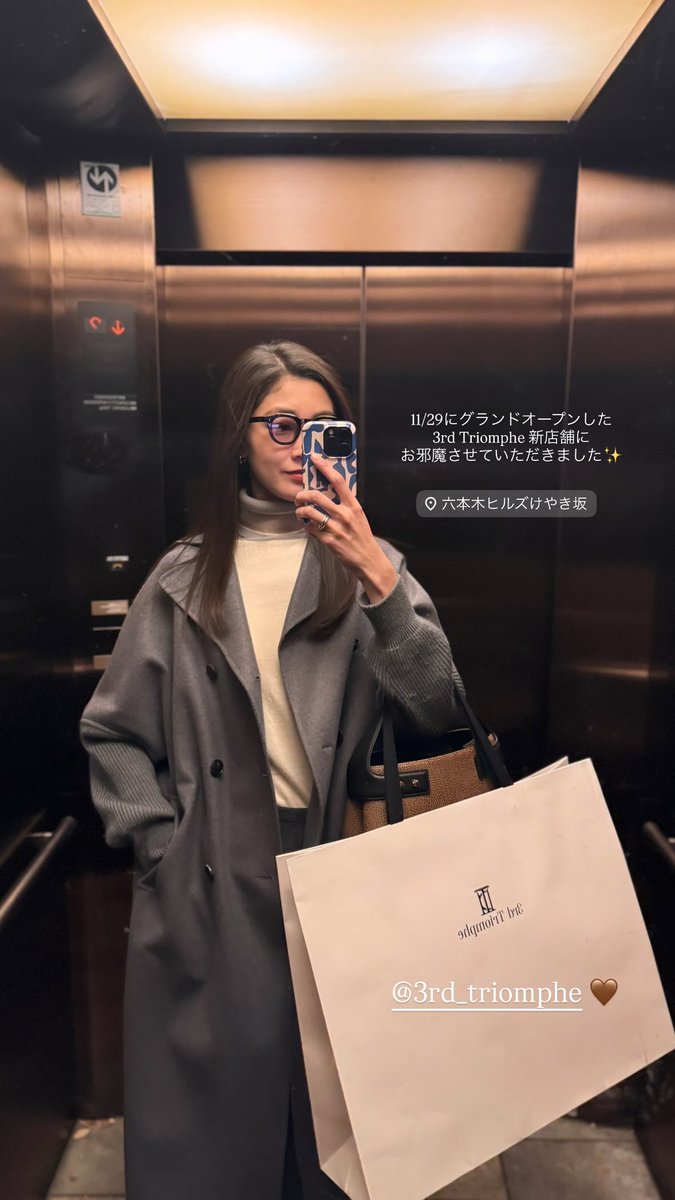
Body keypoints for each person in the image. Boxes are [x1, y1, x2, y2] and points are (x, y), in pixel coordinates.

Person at [79, 340, 466, 1200]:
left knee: (337, 1132)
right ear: (239, 436)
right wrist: (158, 842)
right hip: (212, 875)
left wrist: (378, 584)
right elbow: (112, 733)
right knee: (220, 1138)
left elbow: (438, 710)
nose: (303, 446)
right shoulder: (182, 577)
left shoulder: (374, 566)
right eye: (282, 425)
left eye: (326, 428)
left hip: (347, 862)